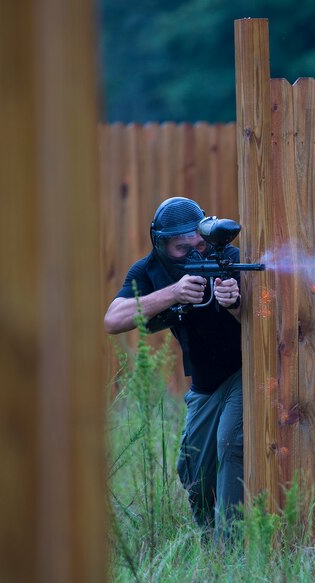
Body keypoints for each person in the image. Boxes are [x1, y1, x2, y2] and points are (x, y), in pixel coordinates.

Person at [104, 196, 244, 541]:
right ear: (162, 245)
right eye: (183, 248)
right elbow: (113, 319)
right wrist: (174, 293)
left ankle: (232, 550)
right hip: (205, 385)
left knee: (231, 443)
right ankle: (210, 541)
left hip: (244, 373)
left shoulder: (227, 257)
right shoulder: (149, 271)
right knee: (193, 469)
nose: (195, 253)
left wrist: (235, 302)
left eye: (199, 243)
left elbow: (265, 318)